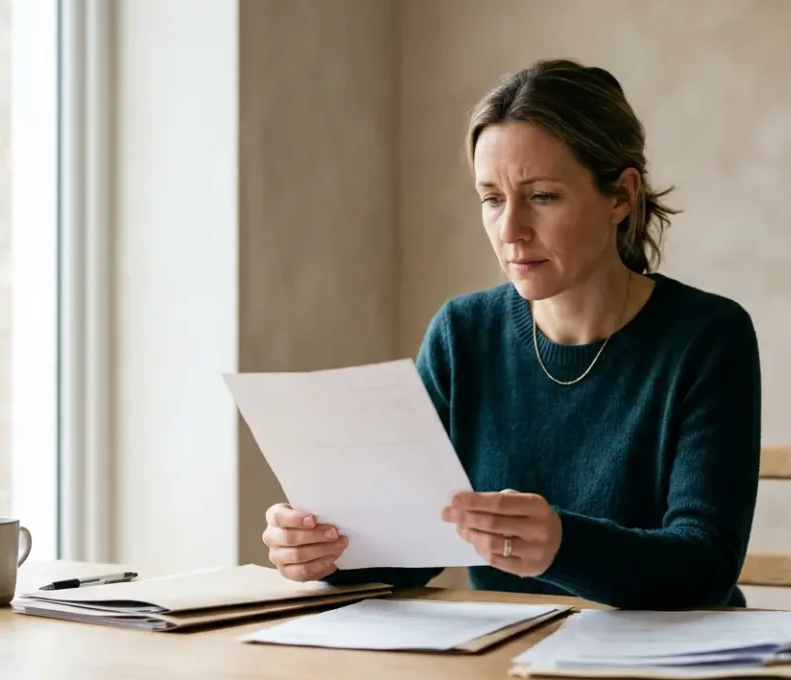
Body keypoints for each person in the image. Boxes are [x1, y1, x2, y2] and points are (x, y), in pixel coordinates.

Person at [260, 59, 762, 609]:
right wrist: (330, 551)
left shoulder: (709, 337)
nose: (511, 231)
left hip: (671, 658)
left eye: (543, 196)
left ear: (620, 195)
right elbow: (414, 547)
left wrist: (563, 546)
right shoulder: (463, 333)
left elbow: (704, 566)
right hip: (507, 658)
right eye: (493, 199)